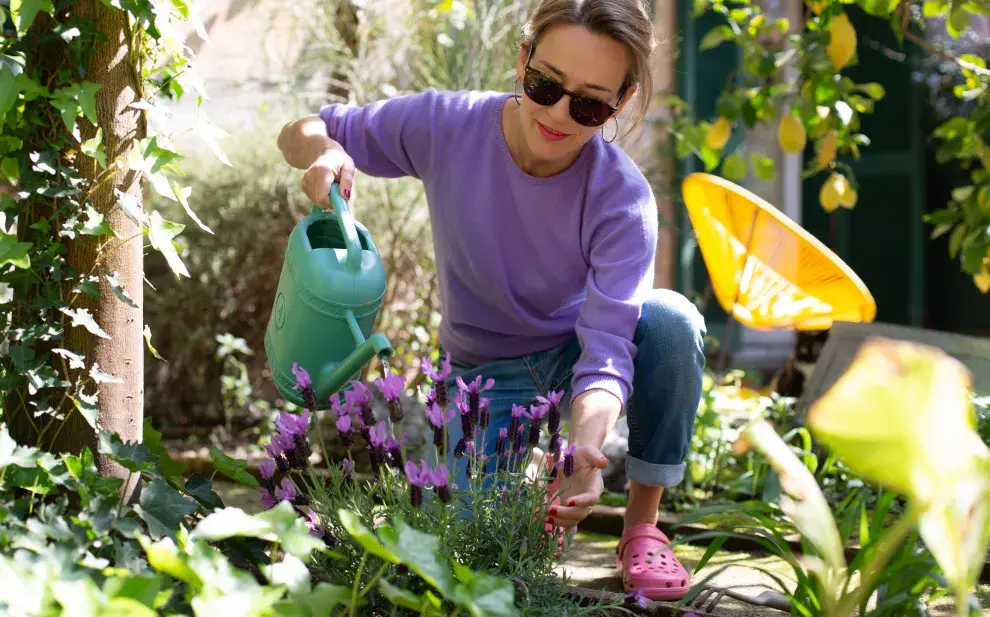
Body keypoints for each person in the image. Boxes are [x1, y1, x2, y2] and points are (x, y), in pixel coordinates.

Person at [276, 0, 707, 600]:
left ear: (623, 101)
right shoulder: (447, 124)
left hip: (574, 356)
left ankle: (642, 528)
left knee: (670, 320)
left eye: (588, 104)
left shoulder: (621, 198)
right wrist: (323, 152)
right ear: (522, 58)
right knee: (470, 556)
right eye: (544, 85)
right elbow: (304, 128)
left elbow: (607, 348)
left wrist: (587, 449)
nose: (558, 113)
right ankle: (534, 510)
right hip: (484, 376)